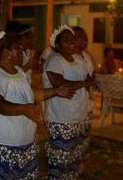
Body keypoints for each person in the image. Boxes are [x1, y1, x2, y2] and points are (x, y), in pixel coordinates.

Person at [0, 31, 74, 179]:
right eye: (18, 48)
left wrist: (56, 91)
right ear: (6, 52)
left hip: (23, 144)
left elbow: (30, 94)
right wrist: (24, 109)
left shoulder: (18, 72)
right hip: (1, 146)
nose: (22, 51)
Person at [43, 25, 96, 179]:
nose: (72, 41)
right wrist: (84, 83)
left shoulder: (79, 58)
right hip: (60, 118)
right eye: (66, 40)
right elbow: (60, 84)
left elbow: (87, 80)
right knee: (60, 160)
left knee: (74, 159)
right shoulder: (54, 60)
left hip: (78, 115)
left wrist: (86, 84)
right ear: (57, 45)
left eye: (72, 38)